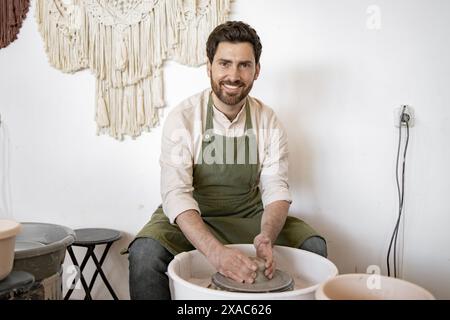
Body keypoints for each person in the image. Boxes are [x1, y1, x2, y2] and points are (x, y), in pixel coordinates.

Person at [128, 21, 327, 300]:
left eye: (244, 65)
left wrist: (267, 235)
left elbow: (275, 188)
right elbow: (176, 194)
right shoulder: (183, 118)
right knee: (144, 254)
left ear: (257, 71)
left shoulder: (267, 120)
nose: (233, 75)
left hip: (248, 215)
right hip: (193, 217)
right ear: (208, 66)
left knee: (313, 245)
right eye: (224, 63)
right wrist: (216, 252)